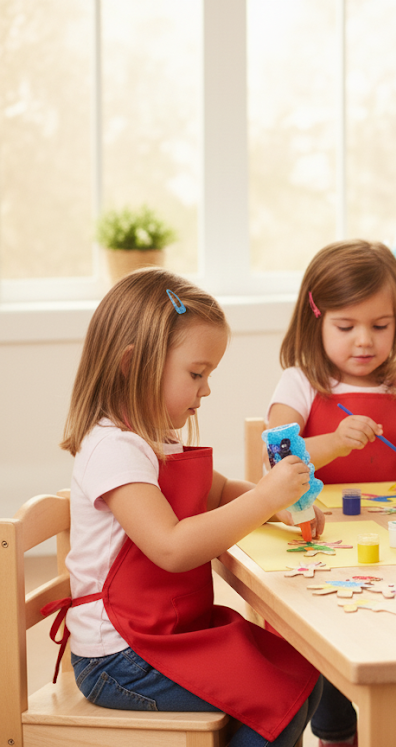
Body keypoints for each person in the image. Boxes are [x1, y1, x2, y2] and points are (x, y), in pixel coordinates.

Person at [52, 268, 324, 747]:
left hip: (171, 631)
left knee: (302, 669)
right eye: (197, 374)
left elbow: (217, 492)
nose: (206, 389)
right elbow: (172, 549)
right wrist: (264, 499)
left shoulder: (154, 437)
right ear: (132, 364)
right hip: (121, 656)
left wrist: (281, 507)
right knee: (281, 700)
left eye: (208, 375)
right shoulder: (114, 449)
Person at [266, 239, 396, 746]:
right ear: (315, 318)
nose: (364, 341)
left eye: (381, 326)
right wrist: (333, 442)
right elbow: (276, 462)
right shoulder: (300, 384)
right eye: (346, 326)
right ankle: (339, 735)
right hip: (326, 550)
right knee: (334, 640)